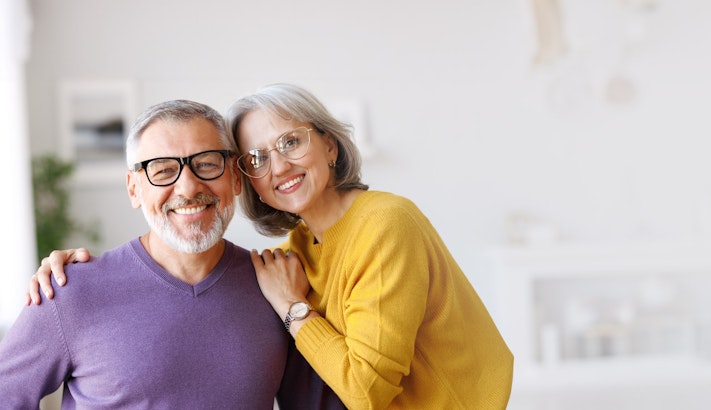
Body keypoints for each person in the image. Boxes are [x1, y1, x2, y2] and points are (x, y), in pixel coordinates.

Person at [30, 83, 515, 409]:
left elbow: (359, 393)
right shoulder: (293, 254)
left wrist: (292, 307)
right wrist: (76, 284)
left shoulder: (378, 227)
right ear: (250, 181)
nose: (278, 168)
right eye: (258, 157)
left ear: (329, 145)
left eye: (290, 143)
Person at [6, 99, 344, 409]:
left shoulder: (279, 288)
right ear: (134, 188)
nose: (188, 187)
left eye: (207, 164)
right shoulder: (69, 290)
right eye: (164, 170)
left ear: (235, 179)